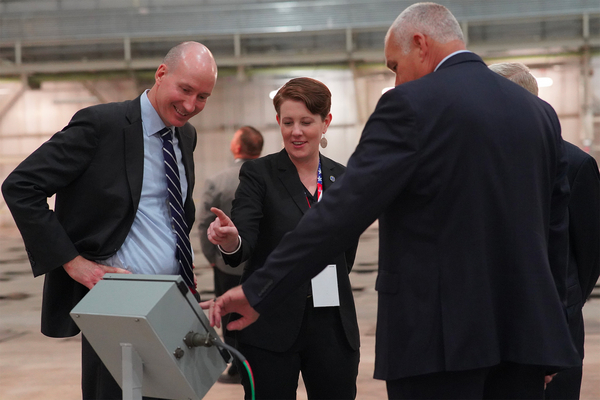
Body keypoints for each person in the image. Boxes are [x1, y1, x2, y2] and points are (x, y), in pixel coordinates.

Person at [207, 3, 581, 399]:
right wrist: (553, 339)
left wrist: (257, 290)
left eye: (394, 66)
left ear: (420, 44)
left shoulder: (410, 106)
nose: (397, 80)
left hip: (439, 345)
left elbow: (339, 215)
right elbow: (557, 239)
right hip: (525, 341)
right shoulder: (538, 114)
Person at [1, 41, 218, 399]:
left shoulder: (185, 136)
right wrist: (74, 263)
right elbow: (21, 187)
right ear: (161, 74)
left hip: (172, 301)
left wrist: (186, 274)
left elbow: (172, 211)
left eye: (203, 97)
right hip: (119, 305)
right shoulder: (102, 125)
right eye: (186, 89)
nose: (191, 105)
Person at [204, 77, 360, 399]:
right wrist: (230, 239)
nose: (296, 132)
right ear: (278, 122)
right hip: (270, 322)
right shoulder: (258, 174)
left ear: (325, 122)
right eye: (287, 122)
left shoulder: (343, 179)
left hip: (331, 324)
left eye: (306, 122)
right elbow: (243, 241)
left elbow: (346, 253)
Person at [489, 61, 600, 400]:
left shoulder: (576, 166)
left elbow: (591, 254)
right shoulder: (482, 163)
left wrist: (561, 305)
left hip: (558, 326)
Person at [197, 125, 264, 384]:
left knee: (228, 314)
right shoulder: (273, 178)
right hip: (264, 265)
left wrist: (213, 257)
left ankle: (237, 366)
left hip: (227, 266)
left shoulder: (218, 180)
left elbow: (204, 223)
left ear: (237, 148)